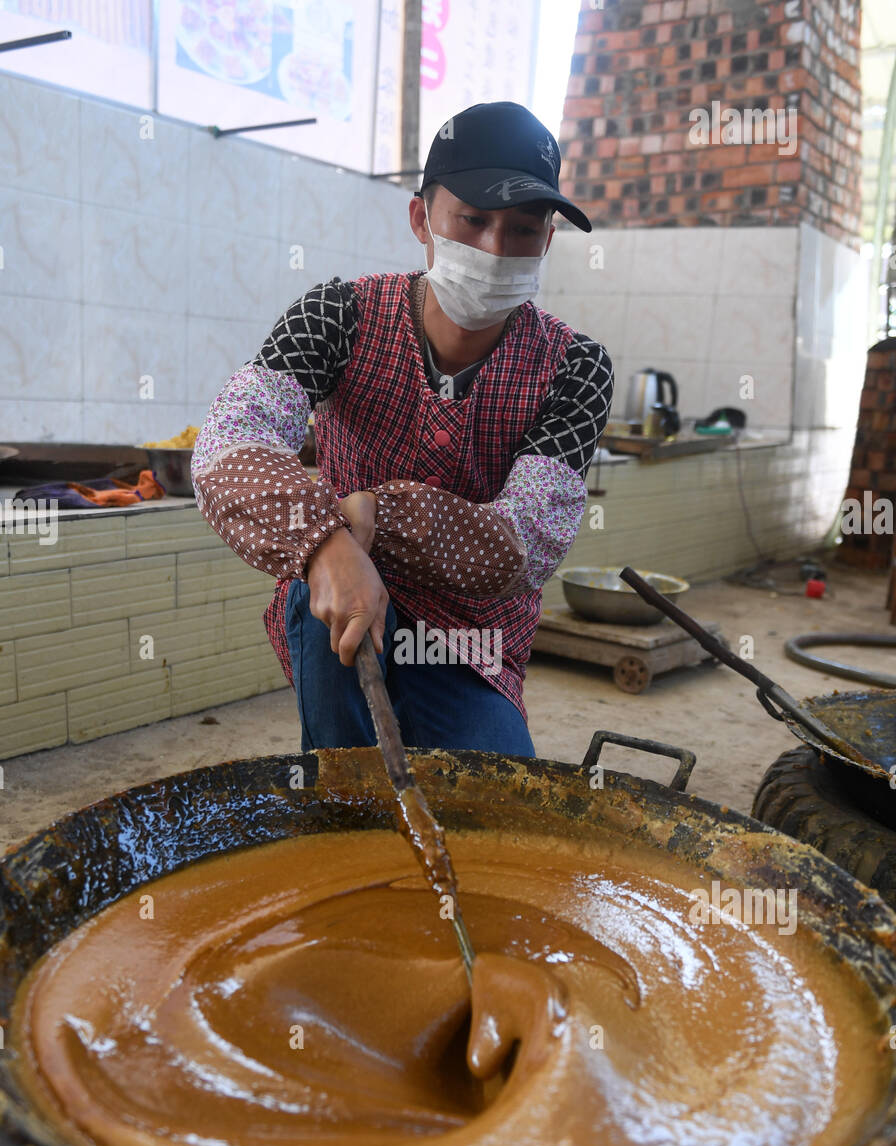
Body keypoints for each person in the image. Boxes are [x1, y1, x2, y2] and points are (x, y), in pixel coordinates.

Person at [191, 101, 613, 756]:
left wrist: (378, 515)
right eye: (472, 220)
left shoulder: (574, 367)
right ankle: (346, 799)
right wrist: (327, 543)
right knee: (355, 788)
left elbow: (526, 541)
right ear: (422, 218)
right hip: (343, 600)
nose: (496, 249)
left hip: (474, 635)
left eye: (523, 229)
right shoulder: (338, 317)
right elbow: (230, 442)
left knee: (496, 802)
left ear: (548, 239)